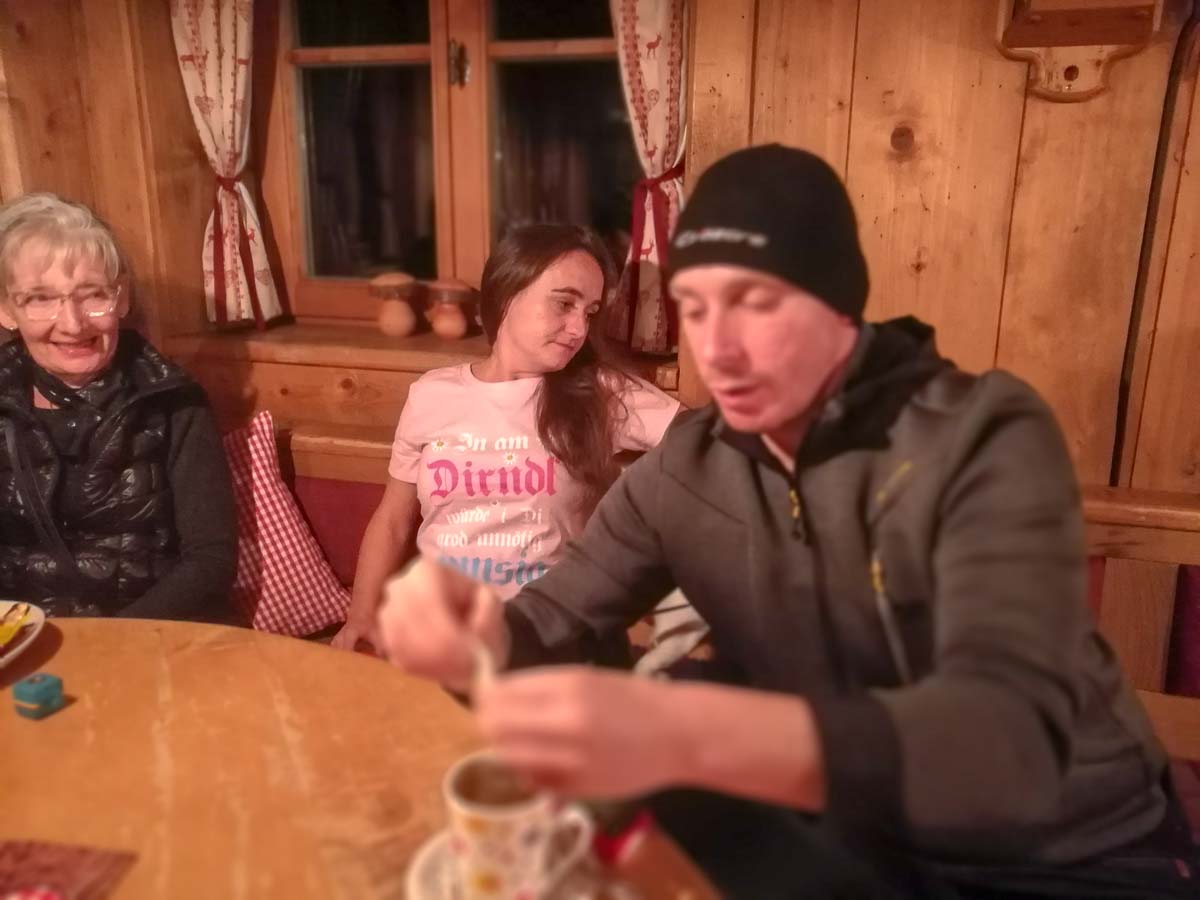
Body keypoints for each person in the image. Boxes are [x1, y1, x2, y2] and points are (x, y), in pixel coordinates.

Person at [376, 146, 1197, 898]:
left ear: (841, 307)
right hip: (853, 840)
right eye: (697, 308)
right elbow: (554, 615)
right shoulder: (689, 466)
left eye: (756, 303)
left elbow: (1004, 735)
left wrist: (688, 729)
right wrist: (473, 636)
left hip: (1067, 854)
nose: (720, 348)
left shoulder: (979, 434)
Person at [331, 223, 688, 654]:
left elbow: (704, 441)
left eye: (590, 312)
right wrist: (361, 615)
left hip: (547, 633)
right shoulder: (432, 394)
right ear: (507, 293)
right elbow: (393, 521)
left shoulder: (600, 393)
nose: (579, 329)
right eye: (564, 304)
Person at [0, 193, 237, 620]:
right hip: (23, 641)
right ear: (6, 310)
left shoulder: (173, 400)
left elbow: (210, 560)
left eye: (93, 295)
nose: (73, 324)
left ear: (122, 297)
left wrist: (110, 644)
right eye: (40, 299)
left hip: (154, 637)